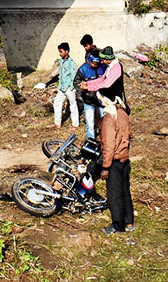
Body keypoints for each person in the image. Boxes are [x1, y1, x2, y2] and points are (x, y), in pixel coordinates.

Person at [81, 46, 132, 234]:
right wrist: (90, 85)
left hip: (115, 162)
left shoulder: (109, 119)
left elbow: (109, 146)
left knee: (114, 195)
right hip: (125, 159)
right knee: (126, 191)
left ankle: (117, 226)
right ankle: (129, 222)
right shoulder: (123, 114)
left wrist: (105, 168)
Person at [53, 43, 79, 130]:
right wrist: (59, 86)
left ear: (67, 51)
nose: (60, 53)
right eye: (59, 52)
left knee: (72, 105)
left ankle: (75, 124)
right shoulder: (61, 61)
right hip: (62, 87)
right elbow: (61, 75)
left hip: (69, 88)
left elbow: (74, 76)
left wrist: (71, 88)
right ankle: (57, 123)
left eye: (61, 51)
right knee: (57, 103)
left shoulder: (71, 63)